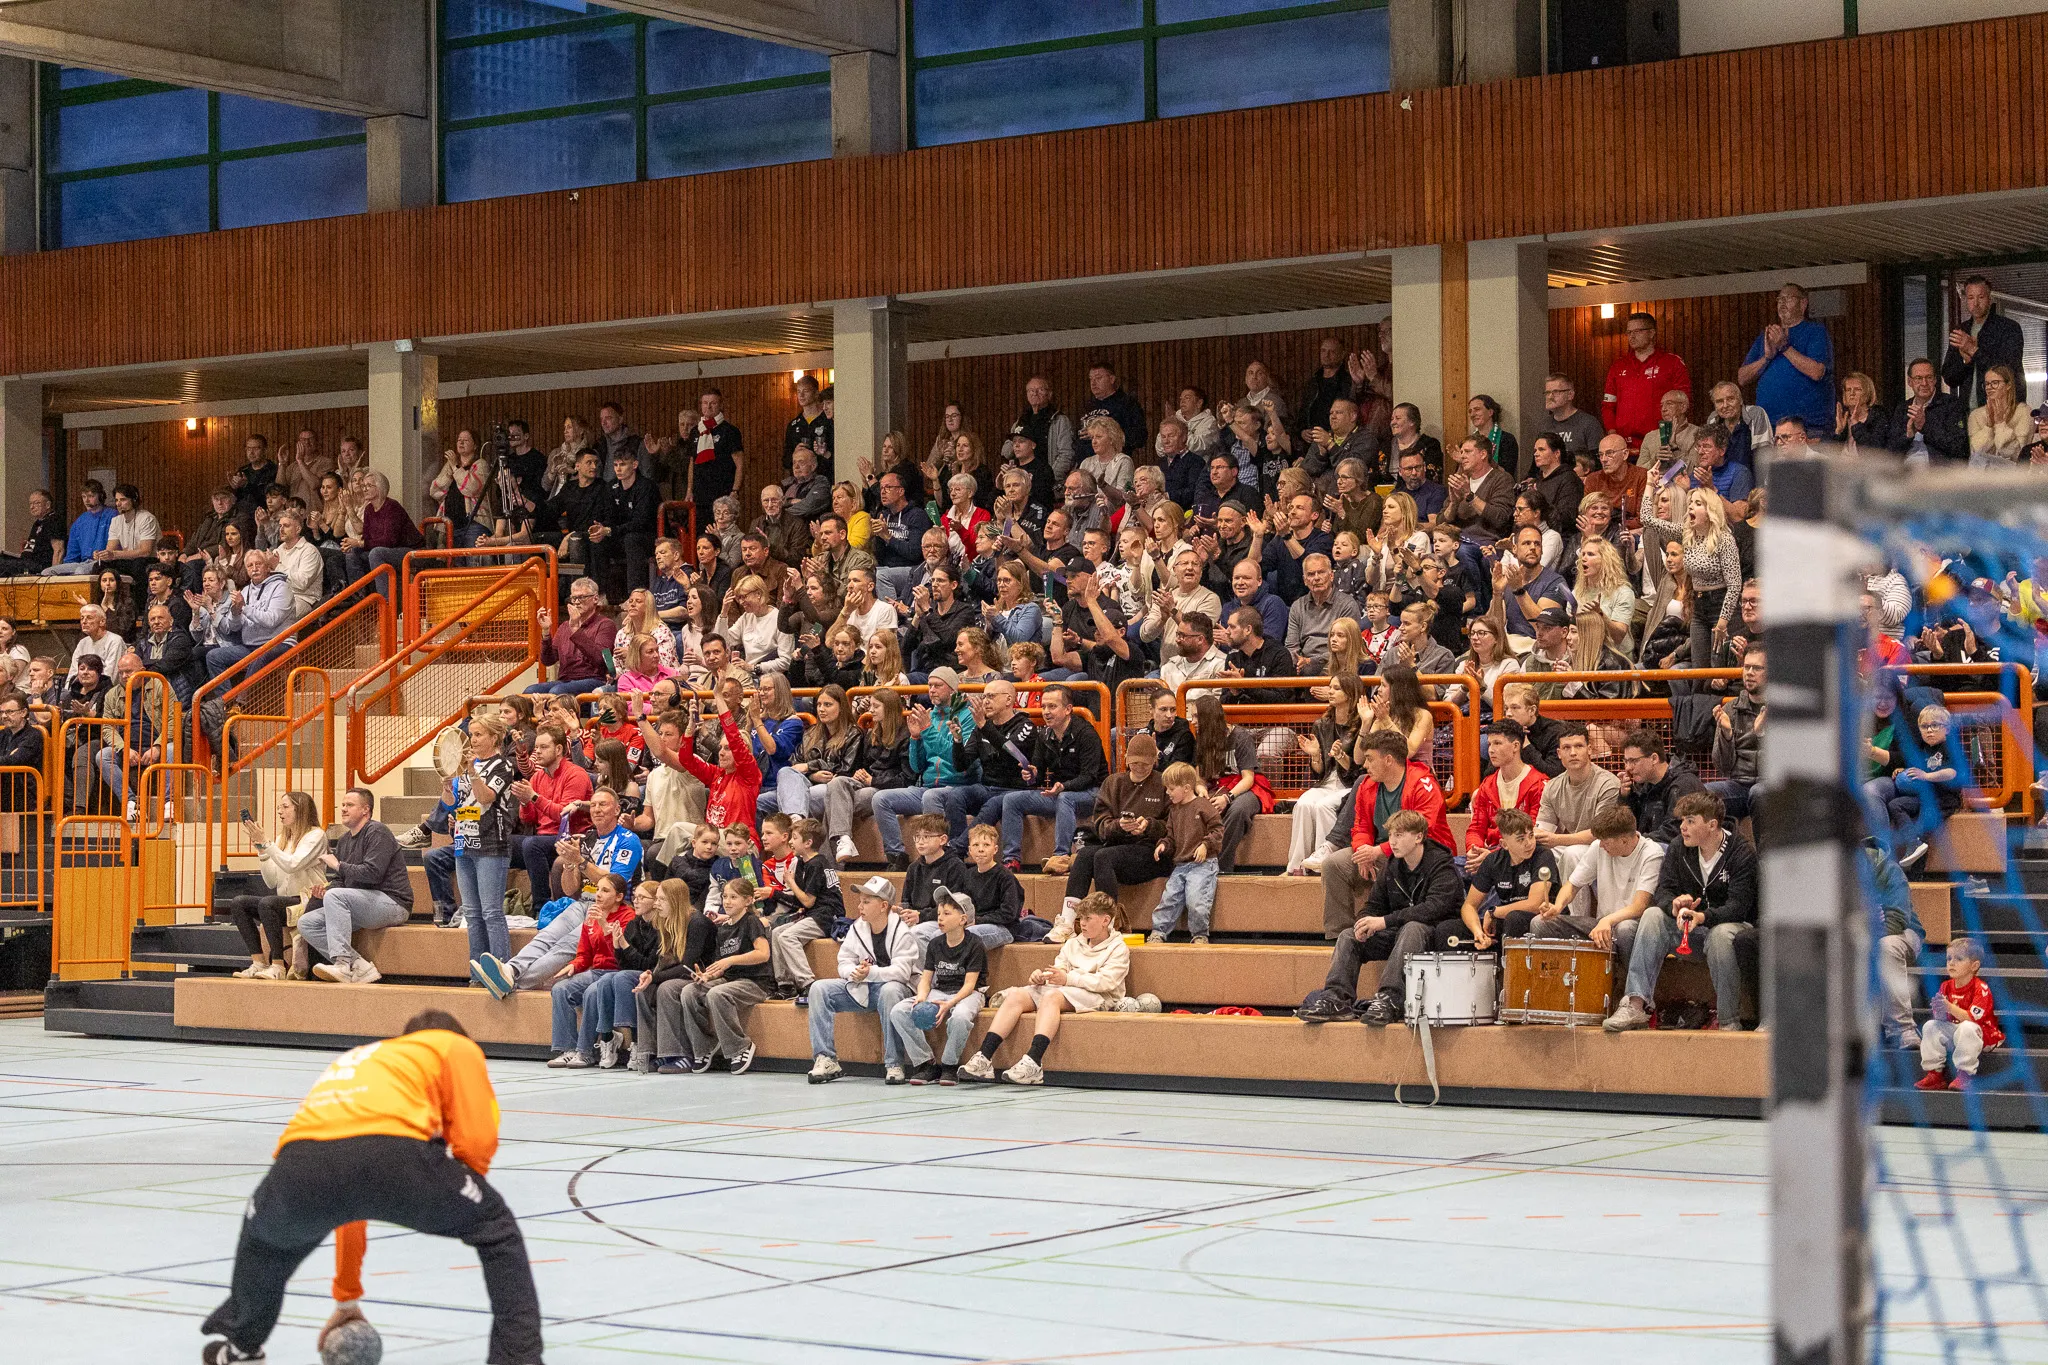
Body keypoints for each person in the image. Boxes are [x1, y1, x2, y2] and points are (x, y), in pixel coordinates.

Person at [197, 1011, 542, 1365]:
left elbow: (350, 1199)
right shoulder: (455, 1045)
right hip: (397, 1153)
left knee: (266, 1243)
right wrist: (465, 1198)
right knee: (496, 1229)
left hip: (300, 1164)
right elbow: (476, 1140)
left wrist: (347, 1298)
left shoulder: (361, 1058)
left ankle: (241, 1347)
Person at [1602, 792, 1759, 1033]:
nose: (1682, 827)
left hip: (1732, 929)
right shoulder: (1678, 847)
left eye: (1690, 821)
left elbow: (1739, 907)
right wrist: (1673, 904)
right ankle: (1635, 1004)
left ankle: (1729, 1021)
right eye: (1682, 821)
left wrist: (1703, 916)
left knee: (1720, 935)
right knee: (1653, 915)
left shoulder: (1741, 852)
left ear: (1712, 824)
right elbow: (1664, 890)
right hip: (1691, 931)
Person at [1297, 810, 1464, 1025]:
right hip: (1398, 933)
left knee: (1413, 926)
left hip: (1434, 934)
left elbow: (1433, 908)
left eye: (1400, 835)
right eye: (1391, 835)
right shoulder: (1393, 865)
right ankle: (1337, 998)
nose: (1392, 842)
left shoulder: (1441, 864)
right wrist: (1364, 921)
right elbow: (1374, 905)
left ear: (1419, 837)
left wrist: (1384, 921)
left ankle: (1390, 999)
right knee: (1349, 935)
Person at [959, 892, 1133, 1086]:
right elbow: (1060, 968)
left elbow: (1106, 982)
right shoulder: (1073, 943)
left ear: (1105, 920)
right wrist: (1043, 977)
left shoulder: (1118, 948)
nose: (1082, 923)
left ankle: (1033, 1062)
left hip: (1101, 997)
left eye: (1088, 918)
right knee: (1017, 994)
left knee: (1052, 997)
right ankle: (984, 1057)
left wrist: (1067, 979)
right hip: (1067, 988)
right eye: (1080, 918)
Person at [1317, 730, 1453, 940]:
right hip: (1379, 851)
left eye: (1370, 759)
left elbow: (1421, 830)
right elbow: (1360, 825)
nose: (1364, 765)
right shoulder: (1366, 785)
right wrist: (1363, 852)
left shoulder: (1423, 784)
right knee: (1333, 865)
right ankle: (1341, 935)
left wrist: (1377, 851)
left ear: (1388, 759)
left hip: (1421, 854)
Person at [805, 874, 924, 1084]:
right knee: (819, 989)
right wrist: (855, 972)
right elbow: (844, 961)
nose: (860, 906)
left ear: (883, 905)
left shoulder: (903, 932)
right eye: (860, 901)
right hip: (862, 988)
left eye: (867, 902)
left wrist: (871, 973)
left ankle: (894, 1063)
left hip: (898, 991)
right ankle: (826, 1058)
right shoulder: (857, 927)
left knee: (890, 990)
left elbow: (902, 972)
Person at [980, 683, 1106, 873]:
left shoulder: (1085, 733)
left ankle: (1061, 857)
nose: (1046, 712)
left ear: (1068, 709)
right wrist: (1032, 774)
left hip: (1091, 793)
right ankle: (1011, 859)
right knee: (1011, 799)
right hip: (1059, 792)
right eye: (1044, 706)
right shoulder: (1045, 734)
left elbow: (1090, 776)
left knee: (1066, 799)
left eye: (1052, 707)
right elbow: (1037, 768)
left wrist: (1064, 786)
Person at [295, 788, 413, 985]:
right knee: (307, 923)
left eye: (349, 805)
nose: (343, 809)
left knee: (337, 897)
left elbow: (373, 874)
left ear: (365, 810)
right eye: (342, 805)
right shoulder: (344, 841)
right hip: (363, 902)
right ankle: (359, 965)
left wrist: (337, 865)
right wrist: (326, 891)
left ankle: (342, 964)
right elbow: (342, 881)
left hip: (393, 902)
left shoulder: (378, 832)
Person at [887, 888, 989, 1086]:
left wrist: (949, 1003)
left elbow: (970, 985)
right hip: (940, 990)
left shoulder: (975, 944)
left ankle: (949, 1065)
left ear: (963, 919)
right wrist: (921, 997)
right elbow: (926, 979)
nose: (940, 918)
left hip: (969, 993)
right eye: (939, 913)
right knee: (899, 1011)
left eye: (947, 914)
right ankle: (925, 1063)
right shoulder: (935, 943)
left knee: (959, 1017)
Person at [222, 792, 327, 980]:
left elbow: (293, 864)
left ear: (301, 809)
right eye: (279, 807)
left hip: (308, 900)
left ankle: (278, 965)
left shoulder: (316, 835)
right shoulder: (282, 838)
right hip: (284, 900)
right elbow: (272, 881)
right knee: (239, 903)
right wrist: (262, 850)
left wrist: (267, 844)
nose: (280, 811)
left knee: (268, 903)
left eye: (285, 807)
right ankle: (258, 961)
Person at [1527, 805, 1663, 948]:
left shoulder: (1651, 853)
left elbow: (1639, 906)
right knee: (1540, 923)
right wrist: (1558, 906)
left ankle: (1628, 971)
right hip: (1602, 924)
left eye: (1606, 842)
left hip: (1634, 924)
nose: (1602, 846)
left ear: (1624, 840)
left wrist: (1608, 921)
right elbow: (1572, 885)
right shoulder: (1599, 846)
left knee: (1625, 928)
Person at [544, 873, 639, 1068]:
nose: (599, 895)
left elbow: (620, 954)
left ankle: (585, 1052)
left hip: (616, 972)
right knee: (560, 989)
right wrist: (574, 965)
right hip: (596, 971)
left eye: (605, 890)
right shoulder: (592, 916)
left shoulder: (628, 917)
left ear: (619, 896)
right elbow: (584, 953)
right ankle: (567, 1049)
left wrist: (605, 925)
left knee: (592, 992)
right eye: (597, 890)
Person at [449, 714, 518, 975]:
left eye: (478, 735)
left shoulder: (503, 765)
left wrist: (471, 772)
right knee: (472, 914)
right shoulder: (468, 766)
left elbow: (486, 797)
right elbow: (453, 801)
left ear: (494, 737)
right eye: (471, 734)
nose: (473, 740)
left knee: (491, 912)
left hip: (491, 843)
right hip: (463, 842)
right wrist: (447, 787)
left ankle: (502, 969)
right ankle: (477, 972)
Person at [1287, 673, 1364, 876]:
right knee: (1303, 804)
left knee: (1323, 807)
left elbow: (1359, 771)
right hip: (1327, 783)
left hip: (1349, 785)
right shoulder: (1322, 724)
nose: (1330, 691)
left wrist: (1341, 758)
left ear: (1350, 693)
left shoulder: (1361, 725)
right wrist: (1315, 757)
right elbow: (1319, 772)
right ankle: (1297, 867)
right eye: (1330, 687)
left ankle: (1327, 866)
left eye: (1337, 688)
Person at [1454, 809, 1558, 951]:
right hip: (1506, 920)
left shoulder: (1543, 855)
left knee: (1514, 918)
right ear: (1504, 844)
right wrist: (1477, 932)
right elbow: (1469, 906)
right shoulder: (1493, 861)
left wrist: (1494, 912)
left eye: (1531, 835)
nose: (1529, 843)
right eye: (1521, 839)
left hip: (1540, 919)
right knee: (1447, 929)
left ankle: (1510, 971)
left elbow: (1534, 904)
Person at [1877, 704, 1965, 870]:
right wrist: (1904, 771)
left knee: (1923, 821)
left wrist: (1926, 776)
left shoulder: (1951, 747)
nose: (1929, 730)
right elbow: (1918, 769)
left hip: (1945, 798)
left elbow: (1952, 772)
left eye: (1935, 725)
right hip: (1925, 796)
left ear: (1946, 729)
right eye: (1924, 726)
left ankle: (1917, 872)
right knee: (1895, 805)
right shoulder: (1923, 749)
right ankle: (1913, 843)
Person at [1737, 282, 1835, 432]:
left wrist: (1784, 347)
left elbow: (1817, 372)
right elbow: (1742, 378)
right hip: (1769, 426)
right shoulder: (1766, 336)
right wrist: (1767, 358)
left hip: (1808, 426)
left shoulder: (1815, 332)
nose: (1782, 303)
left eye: (1788, 298)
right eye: (1779, 299)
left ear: (1803, 304)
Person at [1532, 720, 1622, 880]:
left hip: (1604, 847)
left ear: (1589, 749)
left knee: (1572, 854)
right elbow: (1544, 830)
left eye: (1578, 746)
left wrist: (1556, 839)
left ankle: (1568, 906)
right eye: (1567, 748)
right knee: (1535, 853)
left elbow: (1599, 833)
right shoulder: (1552, 786)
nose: (1573, 753)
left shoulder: (1608, 784)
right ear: (1559, 753)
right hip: (1569, 844)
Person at [764, 817, 844, 996]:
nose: (790, 842)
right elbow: (801, 902)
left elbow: (808, 901)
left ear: (808, 843)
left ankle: (807, 983)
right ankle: (785, 984)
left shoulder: (817, 863)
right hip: (812, 913)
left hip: (827, 916)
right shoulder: (801, 862)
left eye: (794, 838)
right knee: (777, 933)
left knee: (787, 937)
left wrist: (790, 882)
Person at [1146, 761, 1224, 945]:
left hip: (1203, 865)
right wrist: (1163, 844)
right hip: (1180, 865)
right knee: (1168, 899)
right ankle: (1159, 932)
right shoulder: (1174, 810)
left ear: (1187, 788)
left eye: (1171, 789)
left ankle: (1199, 934)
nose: (1167, 793)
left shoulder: (1203, 806)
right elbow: (1171, 836)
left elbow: (1218, 830)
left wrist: (1205, 845)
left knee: (1196, 900)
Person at [1917, 937, 2004, 1091]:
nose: (1951, 963)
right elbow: (1942, 1019)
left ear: (1974, 965)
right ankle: (1934, 1074)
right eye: (1949, 958)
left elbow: (1972, 1018)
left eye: (1958, 958)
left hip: (1982, 1034)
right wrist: (1939, 1011)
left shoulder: (1981, 988)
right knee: (1931, 1026)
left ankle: (1965, 1075)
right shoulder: (1945, 986)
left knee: (1967, 1027)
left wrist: (1949, 1007)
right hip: (1957, 1031)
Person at [1601, 313, 1692, 448]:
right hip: (1625, 445)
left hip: (1662, 442)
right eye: (1629, 332)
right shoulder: (1618, 366)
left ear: (1651, 333)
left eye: (1637, 331)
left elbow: (1683, 402)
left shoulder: (1672, 363)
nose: (1632, 336)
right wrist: (1613, 434)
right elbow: (1608, 406)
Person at [1942, 274, 2027, 407]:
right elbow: (1949, 378)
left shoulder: (2008, 328)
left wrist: (1973, 350)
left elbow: (2007, 371)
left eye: (1980, 297)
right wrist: (1966, 362)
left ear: (1989, 298)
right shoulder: (1961, 331)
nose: (1975, 303)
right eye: (1970, 297)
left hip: (2003, 410)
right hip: (1968, 411)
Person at [1465, 721, 1546, 858]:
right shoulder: (1487, 785)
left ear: (1515, 746)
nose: (1490, 750)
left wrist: (1491, 856)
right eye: (1490, 744)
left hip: (1524, 856)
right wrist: (1474, 851)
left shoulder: (1539, 785)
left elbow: (1531, 835)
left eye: (1497, 743)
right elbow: (1475, 829)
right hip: (1488, 854)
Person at [527, 578, 616, 695]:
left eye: (582, 597)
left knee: (558, 691)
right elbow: (548, 660)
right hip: (565, 680)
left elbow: (602, 658)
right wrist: (546, 632)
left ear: (595, 599)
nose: (577, 602)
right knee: (530, 691)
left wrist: (575, 630)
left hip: (594, 679)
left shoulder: (606, 625)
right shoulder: (564, 626)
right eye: (574, 598)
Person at [1617, 728, 1706, 844]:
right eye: (1626, 761)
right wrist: (1626, 797)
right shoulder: (1644, 785)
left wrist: (1636, 842)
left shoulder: (1683, 785)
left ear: (1654, 758)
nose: (1628, 767)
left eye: (1634, 761)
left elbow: (1675, 832)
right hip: (1651, 846)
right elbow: (1627, 826)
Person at [1709, 646, 1766, 819]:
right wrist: (1726, 735)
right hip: (1739, 785)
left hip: (1771, 786)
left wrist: (1762, 735)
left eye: (1757, 668)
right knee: (1703, 796)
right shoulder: (1731, 708)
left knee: (1759, 793)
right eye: (1746, 667)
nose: (1749, 672)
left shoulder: (1782, 709)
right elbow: (1722, 766)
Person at [340, 471, 423, 585]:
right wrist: (352, 545)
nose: (364, 489)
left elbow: (389, 541)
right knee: (353, 553)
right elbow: (367, 537)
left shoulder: (392, 507)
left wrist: (359, 543)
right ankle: (359, 597)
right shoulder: (369, 509)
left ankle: (386, 600)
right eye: (364, 486)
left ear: (380, 488)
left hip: (411, 551)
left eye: (369, 486)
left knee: (376, 553)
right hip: (387, 550)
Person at [1887, 356, 1971, 465]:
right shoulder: (1903, 408)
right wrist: (1908, 435)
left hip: (1938, 474)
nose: (1924, 383)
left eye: (1929, 377)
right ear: (1909, 382)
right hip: (1906, 473)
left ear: (1935, 380)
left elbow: (1959, 449)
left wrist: (1925, 427)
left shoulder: (1951, 404)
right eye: (1918, 378)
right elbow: (1891, 453)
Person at [1968, 363, 2033, 467]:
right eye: (1987, 384)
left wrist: (2000, 423)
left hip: (2013, 473)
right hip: (1983, 475)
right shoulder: (1976, 415)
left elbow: (2016, 455)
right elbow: (1976, 453)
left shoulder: (2023, 412)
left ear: (2008, 385)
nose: (1989, 388)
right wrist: (1989, 426)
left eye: (1995, 383)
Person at [1543, 373, 1608, 459]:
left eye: (1555, 392)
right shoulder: (1544, 426)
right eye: (1547, 392)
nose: (1550, 397)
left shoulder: (1588, 423)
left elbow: (1597, 462)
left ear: (1570, 395)